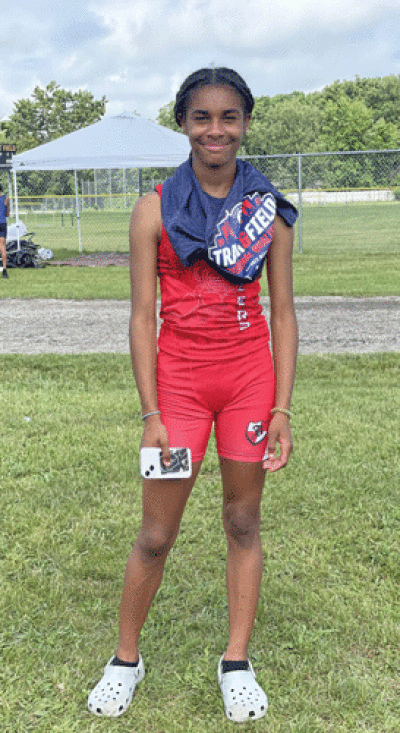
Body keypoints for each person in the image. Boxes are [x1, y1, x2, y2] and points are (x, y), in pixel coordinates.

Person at [88, 67, 298, 723]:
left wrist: (282, 407)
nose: (216, 129)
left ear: (244, 123)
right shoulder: (153, 209)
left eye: (229, 116)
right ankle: (126, 656)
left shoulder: (270, 210)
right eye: (202, 116)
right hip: (177, 391)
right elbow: (141, 318)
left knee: (242, 520)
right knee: (156, 532)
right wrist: (151, 414)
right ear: (183, 122)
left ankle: (235, 660)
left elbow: (284, 314)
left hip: (247, 385)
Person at [0, 183, 10, 278]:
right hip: (3, 223)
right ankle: (4, 270)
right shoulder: (6, 199)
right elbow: (7, 214)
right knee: (2, 247)